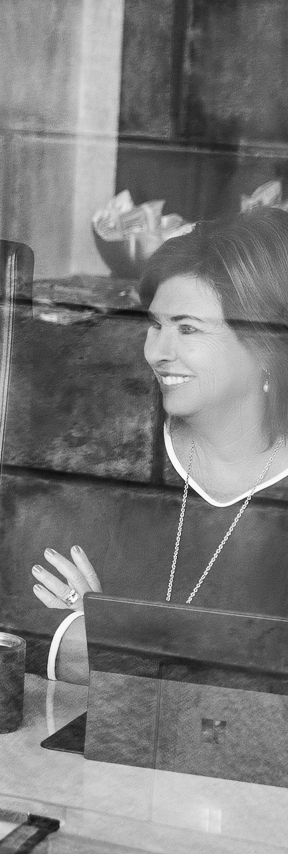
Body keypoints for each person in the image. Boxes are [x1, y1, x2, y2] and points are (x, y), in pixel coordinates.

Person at [34, 209, 288, 683]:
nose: (156, 351)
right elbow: (23, 623)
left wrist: (110, 641)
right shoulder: (105, 451)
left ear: (265, 346)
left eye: (187, 329)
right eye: (156, 325)